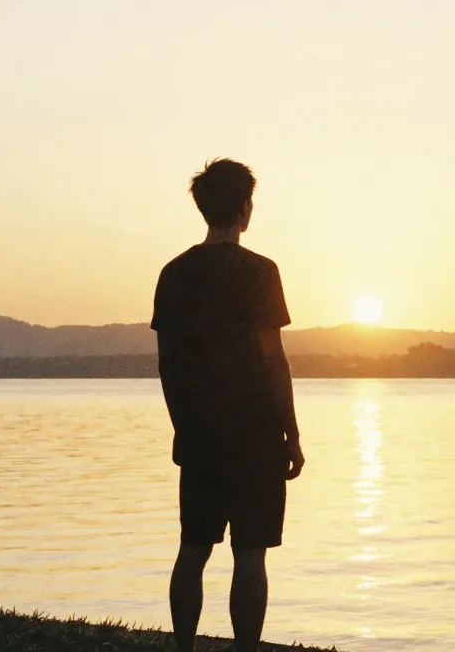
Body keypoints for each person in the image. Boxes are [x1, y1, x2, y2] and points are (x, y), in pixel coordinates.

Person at [151, 158, 305, 652]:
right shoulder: (261, 272)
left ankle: (184, 647)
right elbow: (273, 358)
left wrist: (183, 427)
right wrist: (292, 433)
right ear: (244, 208)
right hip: (256, 435)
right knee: (250, 554)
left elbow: (168, 365)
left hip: (200, 434)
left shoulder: (174, 273)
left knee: (193, 548)